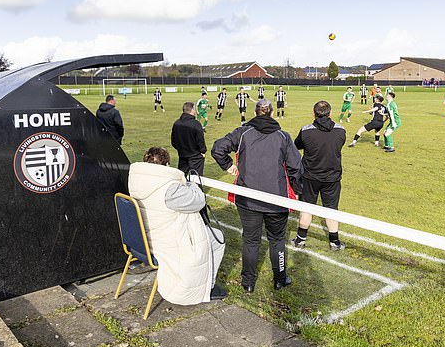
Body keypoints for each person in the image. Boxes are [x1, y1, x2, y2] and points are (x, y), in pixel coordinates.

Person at [212, 99, 303, 292]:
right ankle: (269, 279)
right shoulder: (248, 133)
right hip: (266, 199)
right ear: (270, 113)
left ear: (255, 112)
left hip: (257, 199)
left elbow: (218, 147)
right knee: (274, 240)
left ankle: (256, 281)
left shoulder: (280, 136)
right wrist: (229, 165)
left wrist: (228, 165)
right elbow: (297, 167)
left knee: (252, 240)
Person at [128, 147, 227, 304]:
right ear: (167, 165)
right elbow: (199, 201)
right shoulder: (169, 189)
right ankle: (208, 286)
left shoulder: (137, 179)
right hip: (165, 241)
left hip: (143, 239)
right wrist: (191, 185)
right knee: (218, 237)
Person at [292, 101, 347, 251]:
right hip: (332, 177)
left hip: (310, 177)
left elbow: (296, 145)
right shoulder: (340, 130)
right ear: (330, 113)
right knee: (331, 209)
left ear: (314, 113)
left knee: (306, 207)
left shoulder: (306, 131)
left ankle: (300, 240)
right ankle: (334, 242)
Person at [171, 102, 207, 175]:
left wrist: (181, 149)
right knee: (196, 179)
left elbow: (173, 142)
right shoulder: (196, 124)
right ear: (192, 110)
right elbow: (200, 141)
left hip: (182, 155)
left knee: (182, 177)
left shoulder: (176, 123)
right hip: (195, 156)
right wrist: (203, 151)